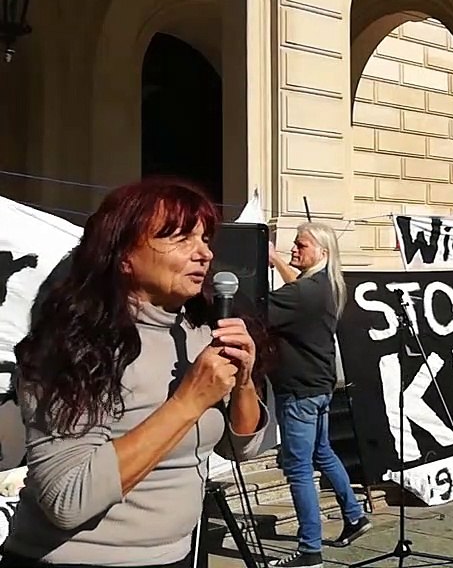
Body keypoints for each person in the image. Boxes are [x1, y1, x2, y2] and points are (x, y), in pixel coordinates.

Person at [2, 177, 271, 568]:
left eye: (205, 239)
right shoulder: (72, 345)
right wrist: (189, 400)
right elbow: (67, 500)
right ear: (124, 255)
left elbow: (241, 448)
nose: (204, 254)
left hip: (174, 556)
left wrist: (243, 381)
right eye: (181, 238)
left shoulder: (198, 331)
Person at [266, 223, 369, 567]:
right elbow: (297, 289)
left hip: (299, 391)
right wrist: (276, 260)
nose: (294, 249)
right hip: (320, 387)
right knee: (322, 452)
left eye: (301, 245)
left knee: (298, 468)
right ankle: (354, 516)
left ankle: (309, 549)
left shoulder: (303, 293)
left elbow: (256, 309)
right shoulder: (327, 285)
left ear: (321, 252)